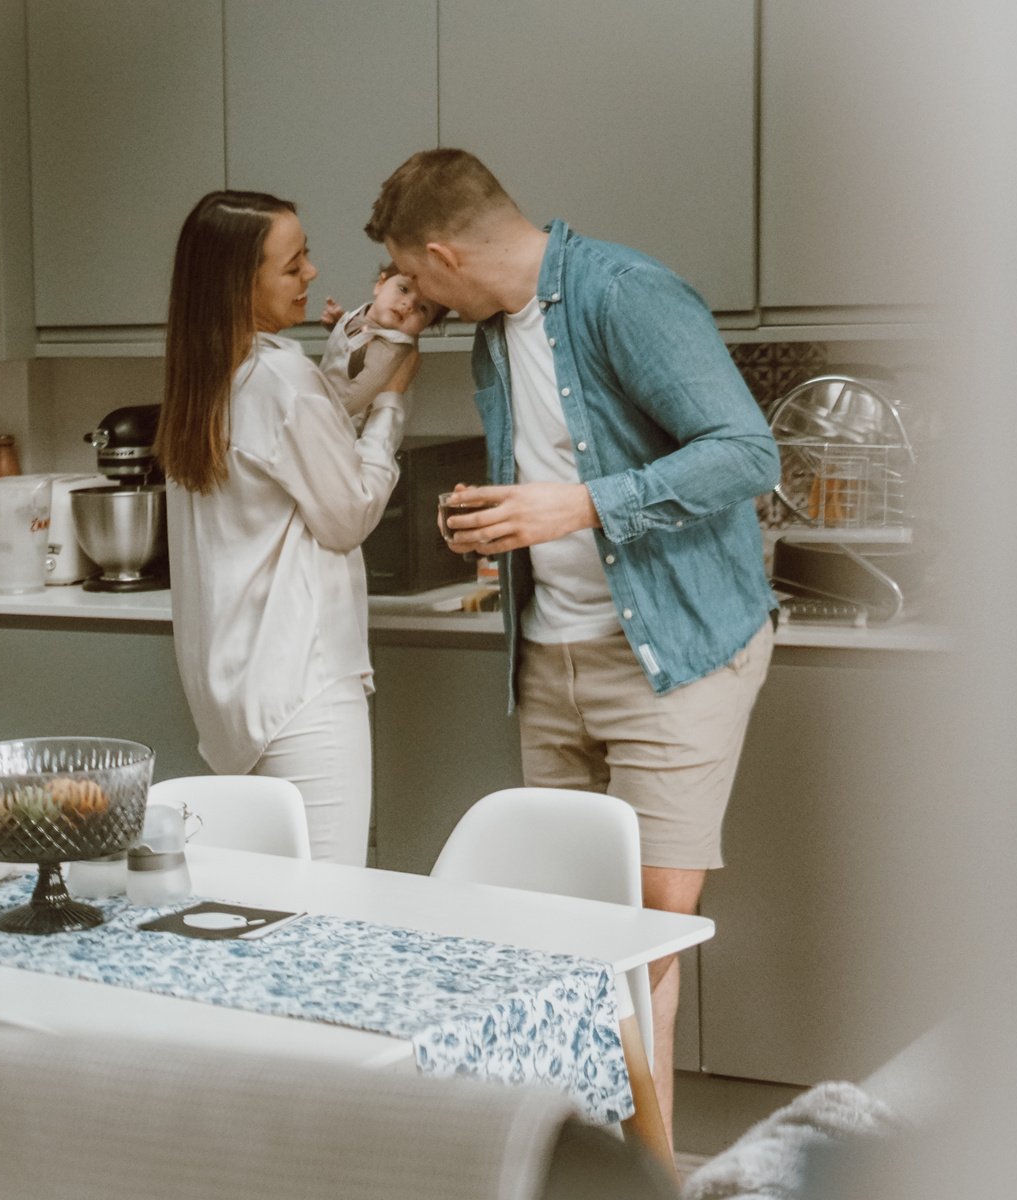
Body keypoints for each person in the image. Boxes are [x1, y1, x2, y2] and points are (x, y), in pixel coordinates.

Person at [365, 149, 778, 1141]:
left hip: (674, 654)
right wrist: (502, 526)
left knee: (637, 944)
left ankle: (649, 1172)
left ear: (443, 251)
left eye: (415, 279)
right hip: (549, 660)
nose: (414, 296)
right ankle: (568, 1163)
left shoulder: (625, 296)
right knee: (555, 945)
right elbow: (548, 477)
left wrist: (583, 505)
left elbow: (746, 452)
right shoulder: (489, 336)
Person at [156, 190, 420, 866]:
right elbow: (351, 513)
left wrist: (377, 333)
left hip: (233, 701)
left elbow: (315, 419)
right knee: (329, 917)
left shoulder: (209, 378)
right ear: (240, 285)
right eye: (293, 263)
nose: (310, 273)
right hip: (305, 692)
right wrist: (391, 404)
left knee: (260, 918)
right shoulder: (277, 375)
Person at [317, 265, 446, 421]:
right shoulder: (369, 317)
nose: (409, 305)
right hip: (325, 399)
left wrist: (323, 420)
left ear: (425, 326)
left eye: (423, 308)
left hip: (344, 423)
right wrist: (340, 324)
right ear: (380, 284)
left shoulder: (390, 350)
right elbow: (358, 348)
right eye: (404, 289)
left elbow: (358, 395)